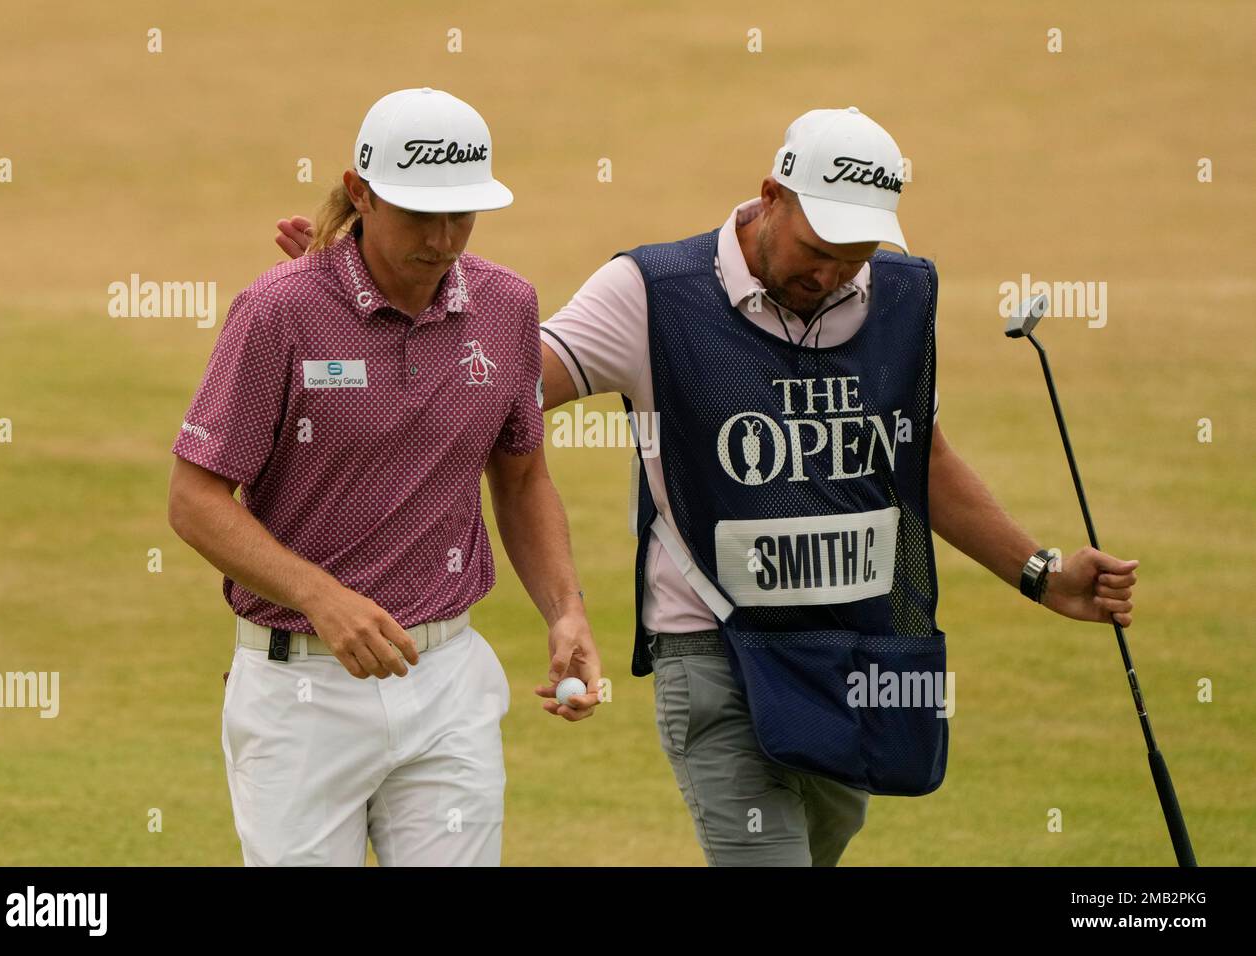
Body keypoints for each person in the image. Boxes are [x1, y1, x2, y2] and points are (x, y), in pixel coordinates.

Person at [276, 106, 1139, 867]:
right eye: (817, 248)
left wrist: (1038, 570)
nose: (835, 272)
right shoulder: (655, 293)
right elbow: (496, 384)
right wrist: (350, 296)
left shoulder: (898, 298)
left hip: (860, 651)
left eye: (858, 252)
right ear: (772, 195)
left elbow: (921, 462)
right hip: (714, 648)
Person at [170, 87, 600, 868]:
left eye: (460, 216)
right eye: (416, 215)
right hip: (298, 692)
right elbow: (195, 501)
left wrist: (564, 610)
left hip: (447, 684)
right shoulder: (278, 312)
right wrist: (322, 597)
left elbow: (524, 473)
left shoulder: (507, 306)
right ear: (361, 192)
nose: (441, 240)